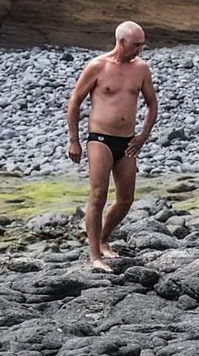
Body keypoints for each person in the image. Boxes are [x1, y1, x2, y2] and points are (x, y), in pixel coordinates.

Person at [65, 21, 159, 271]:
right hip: (100, 139)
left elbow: (152, 104)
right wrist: (74, 141)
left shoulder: (141, 69)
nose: (140, 49)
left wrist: (143, 136)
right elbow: (74, 102)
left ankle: (104, 238)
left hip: (127, 142)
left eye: (142, 44)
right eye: (136, 44)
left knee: (126, 199)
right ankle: (94, 255)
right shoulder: (98, 66)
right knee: (98, 196)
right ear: (122, 42)